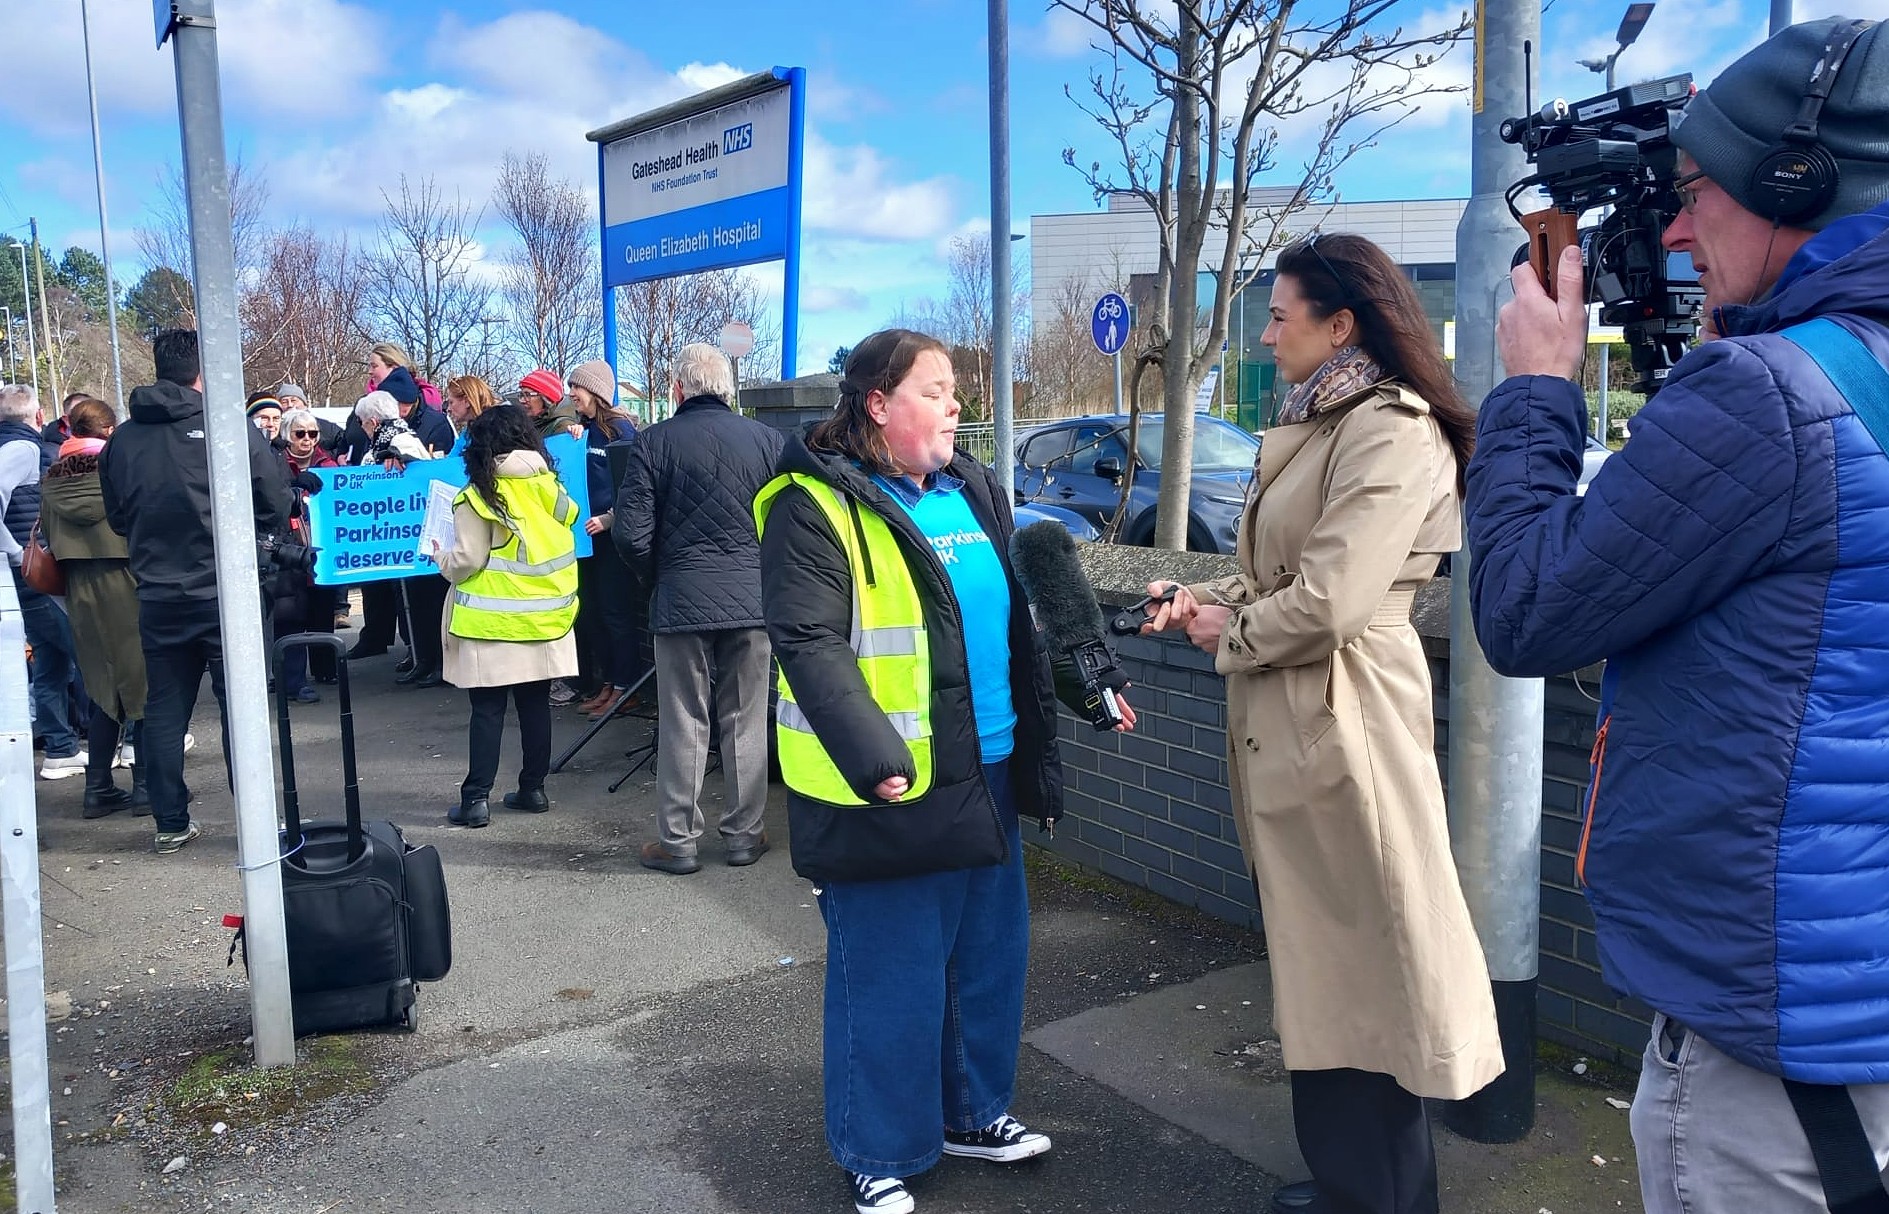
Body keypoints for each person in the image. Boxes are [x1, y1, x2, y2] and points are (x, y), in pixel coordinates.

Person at [1463, 18, 1889, 1214]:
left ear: (1794, 182)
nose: (1675, 232)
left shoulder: (1768, 397)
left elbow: (1524, 609)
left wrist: (1534, 388)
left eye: (1695, 193)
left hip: (1772, 1035)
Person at [1143, 234, 1503, 1214]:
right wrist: (1204, 597)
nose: (1265, 335)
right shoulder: (1320, 418)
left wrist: (1228, 627)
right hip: (1306, 703)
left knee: (1367, 958)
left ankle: (1382, 1193)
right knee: (1324, 959)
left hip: (1348, 711)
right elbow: (1280, 575)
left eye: (1277, 315)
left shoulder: (1389, 427)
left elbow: (1335, 599)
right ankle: (1352, 1181)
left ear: (1339, 324)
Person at [756, 329, 1128, 1214]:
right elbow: (808, 640)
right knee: (890, 975)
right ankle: (878, 1149)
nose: (956, 405)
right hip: (885, 782)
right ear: (877, 404)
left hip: (988, 765)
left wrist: (1088, 680)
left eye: (954, 389)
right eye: (934, 390)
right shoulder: (811, 503)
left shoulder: (974, 488)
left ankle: (972, 1114)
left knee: (986, 962)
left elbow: (1021, 615)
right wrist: (870, 753)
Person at [99, 329, 292, 855]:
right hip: (225, 590)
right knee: (241, 709)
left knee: (164, 709)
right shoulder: (226, 426)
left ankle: (170, 821)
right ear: (202, 371)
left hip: (158, 591)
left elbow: (117, 516)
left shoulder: (121, 440)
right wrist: (260, 540)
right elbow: (273, 496)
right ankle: (255, 819)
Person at [613, 343, 782, 874]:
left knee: (684, 720)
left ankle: (678, 841)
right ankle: (744, 836)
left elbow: (630, 533)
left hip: (681, 598)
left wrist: (657, 577)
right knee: (747, 718)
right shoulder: (768, 441)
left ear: (678, 389)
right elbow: (787, 523)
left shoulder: (653, 442)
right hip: (753, 601)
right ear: (727, 388)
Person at [435, 405, 580, 827]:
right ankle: (533, 789)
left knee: (487, 711)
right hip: (546, 616)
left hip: (491, 621)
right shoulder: (550, 487)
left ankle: (475, 800)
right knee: (535, 707)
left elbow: (467, 560)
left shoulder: (478, 495)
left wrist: (440, 557)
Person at [40, 397, 146, 816]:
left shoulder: (52, 479)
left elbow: (47, 537)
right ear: (110, 431)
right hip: (128, 580)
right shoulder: (120, 471)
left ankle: (98, 787)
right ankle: (147, 787)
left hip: (78, 589)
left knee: (102, 687)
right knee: (144, 683)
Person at [0, 383, 86, 780]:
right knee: (85, 652)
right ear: (38, 416)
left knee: (52, 661)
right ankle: (127, 741)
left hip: (25, 576)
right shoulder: (24, 448)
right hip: (33, 573)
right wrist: (16, 552)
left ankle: (60, 748)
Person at [567, 360, 647, 719]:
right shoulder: (584, 430)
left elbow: (632, 484)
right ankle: (610, 683)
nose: (571, 394)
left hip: (611, 539)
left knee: (616, 614)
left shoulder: (621, 430)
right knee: (594, 611)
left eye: (577, 388)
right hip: (586, 539)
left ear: (596, 392)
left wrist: (609, 518)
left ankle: (626, 688)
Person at [276, 407, 340, 700]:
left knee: (322, 608)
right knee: (290, 614)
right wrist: (293, 484)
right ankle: (291, 679)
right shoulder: (276, 463)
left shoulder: (328, 464)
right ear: (287, 435)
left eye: (312, 433)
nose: (307, 439)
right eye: (299, 433)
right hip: (289, 547)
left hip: (322, 545)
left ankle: (326, 667)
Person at [513, 368, 582, 440]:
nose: (522, 401)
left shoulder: (564, 428)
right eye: (521, 395)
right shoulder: (527, 424)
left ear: (546, 399)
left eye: (527, 395)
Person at [444, 374, 496, 441]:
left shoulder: (495, 434)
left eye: (451, 402)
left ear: (467, 401)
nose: (448, 409)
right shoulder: (468, 433)